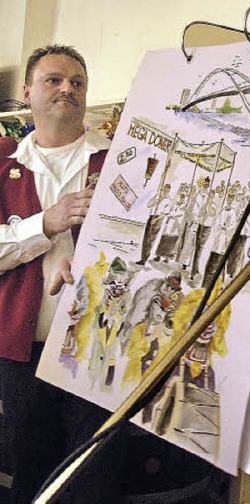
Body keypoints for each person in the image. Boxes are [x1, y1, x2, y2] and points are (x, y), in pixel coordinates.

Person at [0, 44, 124, 503]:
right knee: (28, 474)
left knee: (94, 477)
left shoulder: (120, 160)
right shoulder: (3, 163)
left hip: (101, 347)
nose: (67, 88)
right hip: (22, 351)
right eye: (54, 79)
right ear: (28, 92)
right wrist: (44, 224)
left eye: (77, 82)